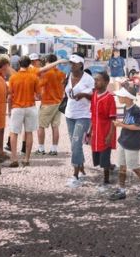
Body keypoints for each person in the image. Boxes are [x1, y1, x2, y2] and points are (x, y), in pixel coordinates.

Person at [110, 85, 140, 200]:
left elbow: (137, 127)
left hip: (132, 143)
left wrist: (121, 124)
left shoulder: (135, 110)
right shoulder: (126, 108)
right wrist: (122, 123)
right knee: (122, 167)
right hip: (124, 141)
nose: (118, 97)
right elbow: (133, 123)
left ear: (128, 97)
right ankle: (121, 190)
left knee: (134, 167)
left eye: (121, 95)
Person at [61, 55, 95, 187]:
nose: (72, 65)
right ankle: (81, 167)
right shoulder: (68, 75)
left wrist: (83, 95)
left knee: (76, 143)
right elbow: (66, 93)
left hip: (83, 115)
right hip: (69, 114)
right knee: (74, 144)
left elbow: (95, 96)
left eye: (74, 64)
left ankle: (75, 175)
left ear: (81, 65)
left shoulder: (88, 79)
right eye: (71, 63)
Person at [6, 55, 40, 167]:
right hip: (30, 106)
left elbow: (10, 96)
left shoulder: (13, 78)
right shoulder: (34, 77)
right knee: (29, 132)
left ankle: (14, 158)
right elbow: (38, 95)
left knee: (14, 133)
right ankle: (26, 159)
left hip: (17, 107)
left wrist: (9, 110)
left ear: (19, 64)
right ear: (29, 64)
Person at [89, 71, 118, 192]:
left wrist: (110, 135)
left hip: (106, 131)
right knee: (98, 156)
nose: (95, 82)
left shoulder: (109, 98)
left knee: (104, 155)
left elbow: (113, 119)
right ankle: (112, 167)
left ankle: (106, 180)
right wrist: (90, 130)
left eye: (98, 80)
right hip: (96, 130)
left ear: (106, 82)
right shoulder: (94, 94)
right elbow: (92, 114)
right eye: (95, 80)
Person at [37, 54, 66, 155]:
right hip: (58, 102)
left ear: (47, 62)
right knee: (55, 126)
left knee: (41, 126)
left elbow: (39, 85)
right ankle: (54, 149)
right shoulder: (62, 74)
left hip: (47, 102)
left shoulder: (46, 74)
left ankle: (41, 148)